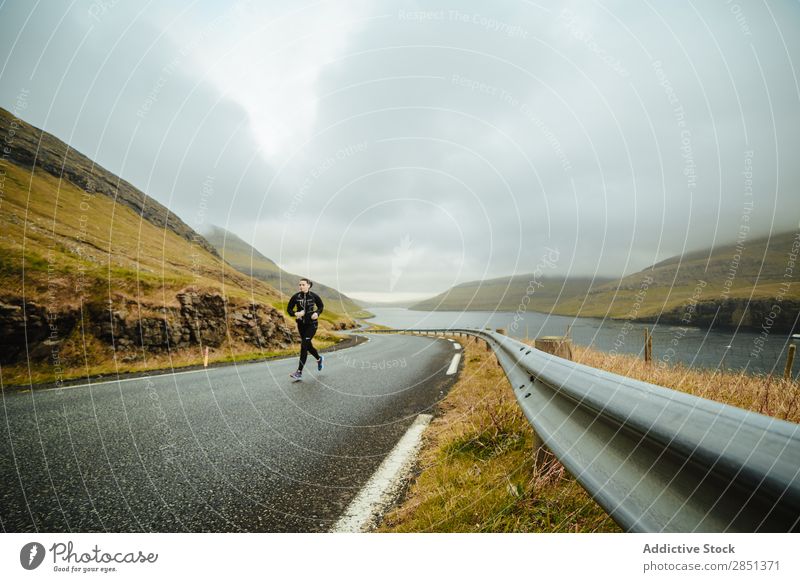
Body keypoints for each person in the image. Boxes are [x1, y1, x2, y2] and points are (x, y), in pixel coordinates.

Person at [286, 278, 324, 380]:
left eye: (303, 284)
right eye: (300, 285)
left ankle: (299, 372)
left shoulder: (314, 296)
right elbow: (289, 309)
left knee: (304, 345)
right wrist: (296, 313)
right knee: (308, 345)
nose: (301, 286)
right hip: (301, 325)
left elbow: (321, 306)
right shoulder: (296, 297)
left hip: (312, 324)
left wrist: (317, 313)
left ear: (308, 285)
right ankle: (319, 358)